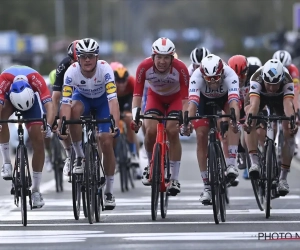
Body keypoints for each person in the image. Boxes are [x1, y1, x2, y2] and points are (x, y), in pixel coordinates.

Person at [59, 38, 120, 209]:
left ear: (96, 57)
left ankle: (108, 191)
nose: (87, 60)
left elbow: (113, 101)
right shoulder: (71, 72)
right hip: (82, 99)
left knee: (106, 141)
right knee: (73, 110)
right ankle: (79, 156)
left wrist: (114, 123)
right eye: (83, 56)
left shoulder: (105, 69)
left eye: (90, 56)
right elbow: (65, 102)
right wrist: (63, 124)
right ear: (77, 58)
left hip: (102, 102)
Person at [130, 37, 189, 196]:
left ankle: (174, 178)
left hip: (175, 99)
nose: (162, 61)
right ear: (153, 57)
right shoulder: (144, 67)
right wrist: (135, 117)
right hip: (154, 97)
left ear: (172, 58)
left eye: (166, 58)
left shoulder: (181, 68)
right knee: (149, 130)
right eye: (159, 57)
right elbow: (137, 95)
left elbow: (185, 100)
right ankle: (150, 165)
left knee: (172, 130)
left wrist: (185, 120)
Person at [181, 54, 240, 203]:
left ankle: (231, 164)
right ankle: (206, 185)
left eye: (216, 78)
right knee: (201, 136)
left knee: (231, 121)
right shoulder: (196, 76)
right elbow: (192, 105)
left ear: (222, 72)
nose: (213, 82)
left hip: (224, 99)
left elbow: (233, 103)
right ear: (203, 75)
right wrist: (187, 124)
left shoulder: (230, 74)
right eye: (209, 79)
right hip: (204, 100)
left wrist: (234, 121)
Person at [0, 65, 55, 208]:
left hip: (32, 104)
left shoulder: (37, 80)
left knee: (38, 140)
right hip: (8, 99)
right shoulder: (3, 80)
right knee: (2, 120)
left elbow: (50, 106)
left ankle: (36, 191)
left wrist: (48, 126)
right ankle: (6, 163)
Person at [244, 59, 297, 196]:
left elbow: (288, 106)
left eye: (275, 84)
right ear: (263, 79)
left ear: (281, 80)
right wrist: (250, 119)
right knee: (250, 120)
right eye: (269, 84)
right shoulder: (256, 77)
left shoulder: (286, 79)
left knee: (289, 130)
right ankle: (254, 161)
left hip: (281, 100)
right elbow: (254, 105)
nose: (272, 88)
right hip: (260, 98)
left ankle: (283, 178)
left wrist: (292, 121)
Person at [227, 55, 260, 180]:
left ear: (247, 70)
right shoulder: (227, 76)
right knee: (233, 123)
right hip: (237, 103)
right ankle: (240, 150)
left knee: (258, 125)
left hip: (254, 101)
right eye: (236, 76)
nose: (240, 79)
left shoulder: (255, 72)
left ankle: (265, 150)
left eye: (242, 75)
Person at [51, 40, 79, 176]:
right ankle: (69, 155)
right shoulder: (63, 66)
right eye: (74, 61)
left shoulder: (92, 64)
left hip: (89, 94)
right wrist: (55, 118)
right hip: (69, 95)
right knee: (61, 125)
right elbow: (56, 96)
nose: (77, 64)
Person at [110, 62, 142, 178]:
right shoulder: (109, 84)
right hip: (114, 99)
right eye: (118, 81)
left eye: (124, 81)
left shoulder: (132, 82)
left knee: (129, 119)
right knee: (113, 125)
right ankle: (114, 156)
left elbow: (137, 99)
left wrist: (135, 115)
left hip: (128, 99)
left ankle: (134, 154)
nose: (122, 84)